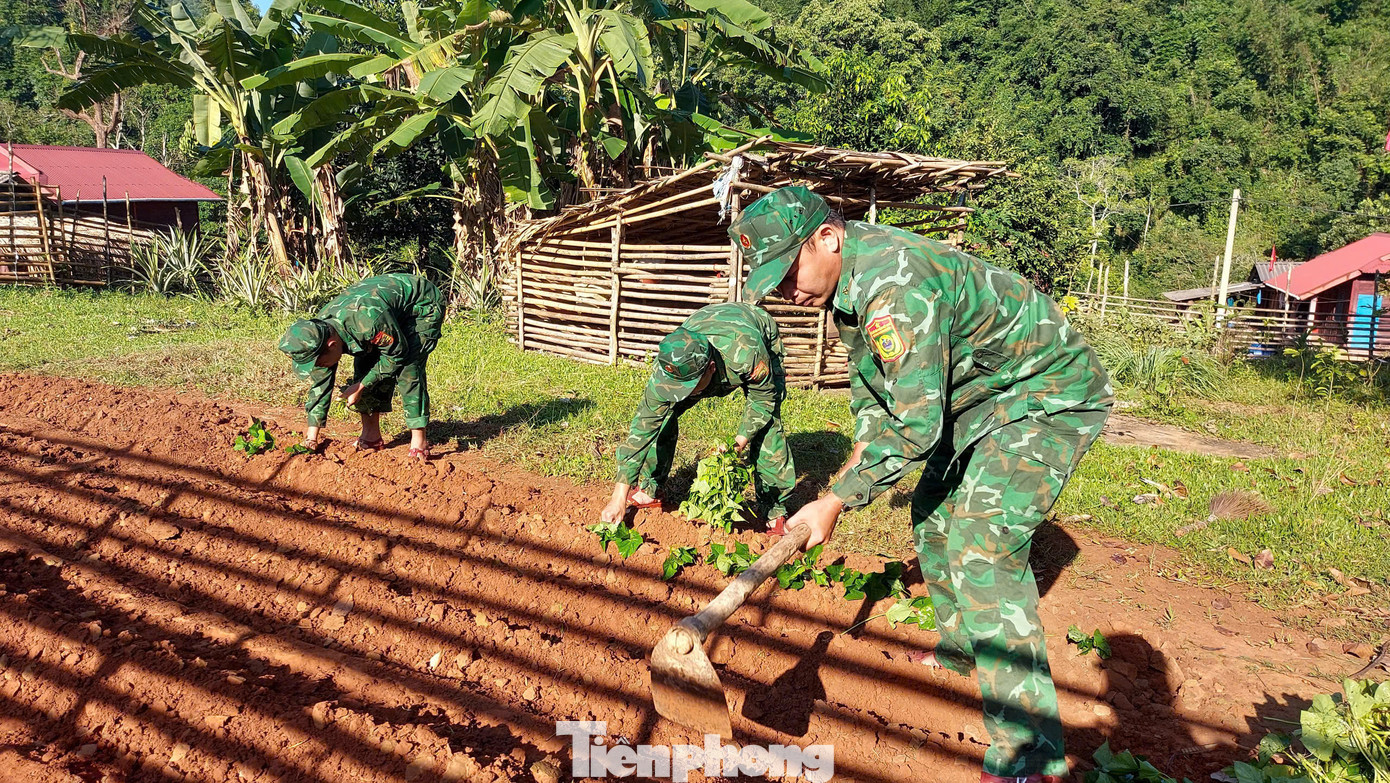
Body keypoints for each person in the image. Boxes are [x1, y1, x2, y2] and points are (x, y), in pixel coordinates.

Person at [729, 186, 1113, 783]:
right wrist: (852, 467)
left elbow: (913, 426)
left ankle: (1029, 758)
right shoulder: (850, 283)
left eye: (787, 271)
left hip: (1047, 397)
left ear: (826, 238)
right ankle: (963, 650)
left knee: (983, 553)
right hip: (982, 398)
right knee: (933, 512)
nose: (785, 291)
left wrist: (834, 500)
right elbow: (876, 391)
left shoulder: (894, 287)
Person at [600, 301, 795, 532]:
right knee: (663, 415)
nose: (679, 394)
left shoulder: (746, 354)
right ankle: (651, 486)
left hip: (754, 330)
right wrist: (618, 497)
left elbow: (763, 400)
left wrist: (738, 444)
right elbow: (643, 426)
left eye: (687, 386)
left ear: (711, 368)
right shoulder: (671, 364)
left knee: (768, 422)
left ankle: (774, 507)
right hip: (706, 327)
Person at [277, 272, 445, 461]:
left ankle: (419, 441)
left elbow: (397, 354)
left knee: (409, 368)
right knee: (365, 365)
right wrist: (311, 438)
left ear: (332, 345)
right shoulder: (317, 335)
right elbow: (320, 385)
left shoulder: (368, 322)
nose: (318, 366)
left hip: (421, 304)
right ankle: (371, 436)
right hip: (381, 310)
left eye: (319, 362)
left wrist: (361, 386)